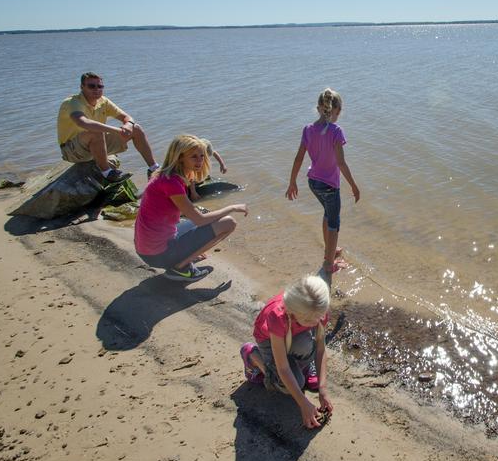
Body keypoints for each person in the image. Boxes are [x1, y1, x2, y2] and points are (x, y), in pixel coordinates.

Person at [134, 135, 248, 282]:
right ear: (180, 157)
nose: (200, 161)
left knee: (209, 217)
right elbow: (200, 220)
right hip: (157, 255)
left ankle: (185, 255)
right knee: (228, 222)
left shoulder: (162, 174)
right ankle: (181, 267)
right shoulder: (172, 183)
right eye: (193, 157)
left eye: (202, 156)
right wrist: (232, 207)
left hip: (147, 248)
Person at [240, 275, 333, 429]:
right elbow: (283, 368)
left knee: (305, 346)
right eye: (311, 320)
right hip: (269, 340)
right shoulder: (278, 316)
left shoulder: (318, 310)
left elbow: (320, 350)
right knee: (288, 387)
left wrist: (323, 389)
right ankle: (252, 356)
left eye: (319, 317)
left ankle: (300, 367)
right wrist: (303, 403)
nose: (317, 322)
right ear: (293, 313)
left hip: (294, 334)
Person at [285, 88, 361, 276]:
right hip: (329, 186)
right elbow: (341, 163)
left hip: (314, 183)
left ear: (318, 108)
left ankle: (330, 250)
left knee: (327, 214)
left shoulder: (308, 129)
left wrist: (292, 182)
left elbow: (298, 158)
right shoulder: (336, 131)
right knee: (334, 223)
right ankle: (329, 263)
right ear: (337, 111)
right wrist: (353, 185)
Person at [56, 72, 158, 183]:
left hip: (95, 144)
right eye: (91, 86)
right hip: (71, 150)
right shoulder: (72, 102)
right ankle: (107, 173)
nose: (96, 89)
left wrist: (128, 125)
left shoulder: (103, 101)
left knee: (136, 129)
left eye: (100, 86)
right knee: (96, 132)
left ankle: (154, 168)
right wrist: (117, 130)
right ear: (82, 87)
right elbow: (83, 122)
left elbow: (127, 117)